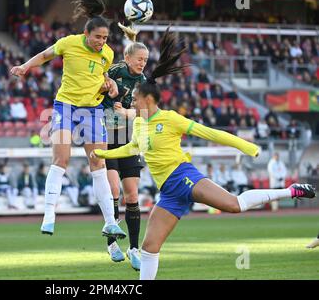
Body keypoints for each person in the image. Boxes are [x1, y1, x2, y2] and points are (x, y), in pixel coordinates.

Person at [91, 27, 317, 280]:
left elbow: (210, 133)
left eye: (135, 96)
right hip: (168, 192)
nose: (132, 98)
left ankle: (291, 190)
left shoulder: (170, 119)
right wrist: (102, 153)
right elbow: (132, 148)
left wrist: (246, 146)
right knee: (150, 247)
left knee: (234, 205)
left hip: (182, 176)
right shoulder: (140, 123)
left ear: (148, 100)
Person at [10, 0, 124, 238]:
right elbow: (44, 55)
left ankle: (109, 222)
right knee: (61, 159)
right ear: (86, 33)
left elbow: (102, 75)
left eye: (105, 38)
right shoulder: (69, 43)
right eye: (97, 37)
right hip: (66, 107)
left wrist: (110, 84)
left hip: (93, 110)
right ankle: (49, 214)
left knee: (98, 163)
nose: (101, 42)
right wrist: (25, 67)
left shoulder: (107, 54)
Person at [101, 23, 148, 270]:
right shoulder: (116, 70)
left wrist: (128, 111)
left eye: (146, 60)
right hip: (107, 136)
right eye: (139, 58)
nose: (143, 63)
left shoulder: (143, 82)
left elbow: (146, 112)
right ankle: (112, 243)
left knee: (132, 194)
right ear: (128, 57)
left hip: (129, 138)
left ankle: (133, 248)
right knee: (113, 190)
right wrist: (108, 86)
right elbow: (99, 77)